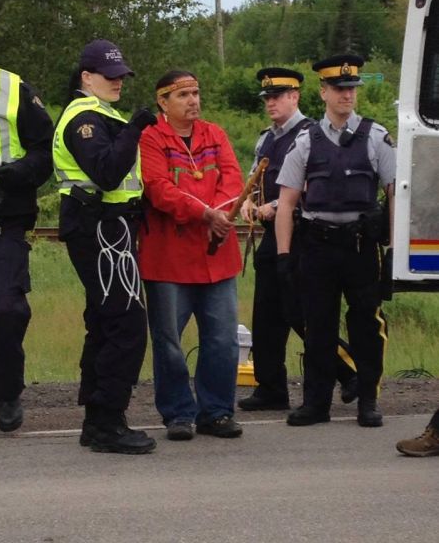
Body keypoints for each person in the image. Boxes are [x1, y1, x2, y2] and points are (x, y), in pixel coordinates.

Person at [275, 54, 396, 427]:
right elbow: (287, 202)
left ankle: (368, 402)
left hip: (361, 248)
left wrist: (392, 245)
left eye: (352, 89)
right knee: (318, 327)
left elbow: (395, 194)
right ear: (323, 92)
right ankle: (316, 403)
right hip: (318, 247)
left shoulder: (376, 138)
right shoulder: (305, 142)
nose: (347, 95)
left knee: (366, 326)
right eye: (340, 89)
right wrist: (283, 256)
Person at [53, 39, 157, 454]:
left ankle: (97, 420)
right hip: (98, 228)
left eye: (121, 76)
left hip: (110, 228)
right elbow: (109, 173)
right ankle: (108, 421)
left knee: (104, 321)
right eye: (109, 76)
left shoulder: (102, 114)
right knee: (126, 324)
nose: (118, 82)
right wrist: (134, 128)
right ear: (86, 77)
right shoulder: (85, 119)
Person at [237, 67, 358, 412]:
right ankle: (270, 386)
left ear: (295, 97)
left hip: (304, 234)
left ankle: (350, 372)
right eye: (267, 98)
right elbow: (254, 179)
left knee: (301, 313)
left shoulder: (313, 135)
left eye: (278, 97)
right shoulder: (266, 138)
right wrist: (248, 202)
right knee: (266, 315)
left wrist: (274, 206)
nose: (271, 103)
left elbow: (313, 185)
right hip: (270, 238)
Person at [138, 70, 244, 441]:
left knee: (222, 339)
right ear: (163, 102)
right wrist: (205, 214)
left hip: (218, 256)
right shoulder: (150, 138)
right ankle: (178, 413)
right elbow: (158, 188)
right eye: (183, 94)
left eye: (196, 93)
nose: (193, 100)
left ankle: (216, 411)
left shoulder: (215, 134)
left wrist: (222, 211)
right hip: (169, 260)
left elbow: (233, 179)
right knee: (169, 340)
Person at [0, 65, 53, 432]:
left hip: (2, 221)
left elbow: (45, 149)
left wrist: (20, 172)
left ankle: (7, 389)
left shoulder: (9, 86)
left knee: (4, 311)